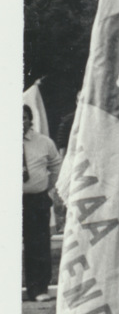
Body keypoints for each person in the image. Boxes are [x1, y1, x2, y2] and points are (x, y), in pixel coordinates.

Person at [22, 106, 62, 303]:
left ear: (30, 120)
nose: (19, 122)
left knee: (38, 244)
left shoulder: (44, 142)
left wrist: (47, 185)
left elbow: (56, 164)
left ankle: (38, 289)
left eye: (23, 118)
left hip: (35, 200)